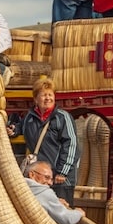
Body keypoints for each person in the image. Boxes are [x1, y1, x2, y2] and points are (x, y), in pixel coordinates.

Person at [20, 76, 80, 204]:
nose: (48, 98)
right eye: (43, 95)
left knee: (61, 212)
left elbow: (71, 145)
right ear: (36, 99)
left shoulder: (62, 117)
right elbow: (18, 129)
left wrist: (62, 172)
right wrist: (12, 129)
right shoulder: (29, 118)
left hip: (60, 180)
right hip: (39, 179)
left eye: (50, 95)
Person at [24, 160, 84, 224]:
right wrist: (78, 213)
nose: (50, 183)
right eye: (46, 177)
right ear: (32, 175)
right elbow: (66, 219)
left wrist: (56, 202)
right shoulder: (44, 192)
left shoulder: (20, 187)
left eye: (51, 179)